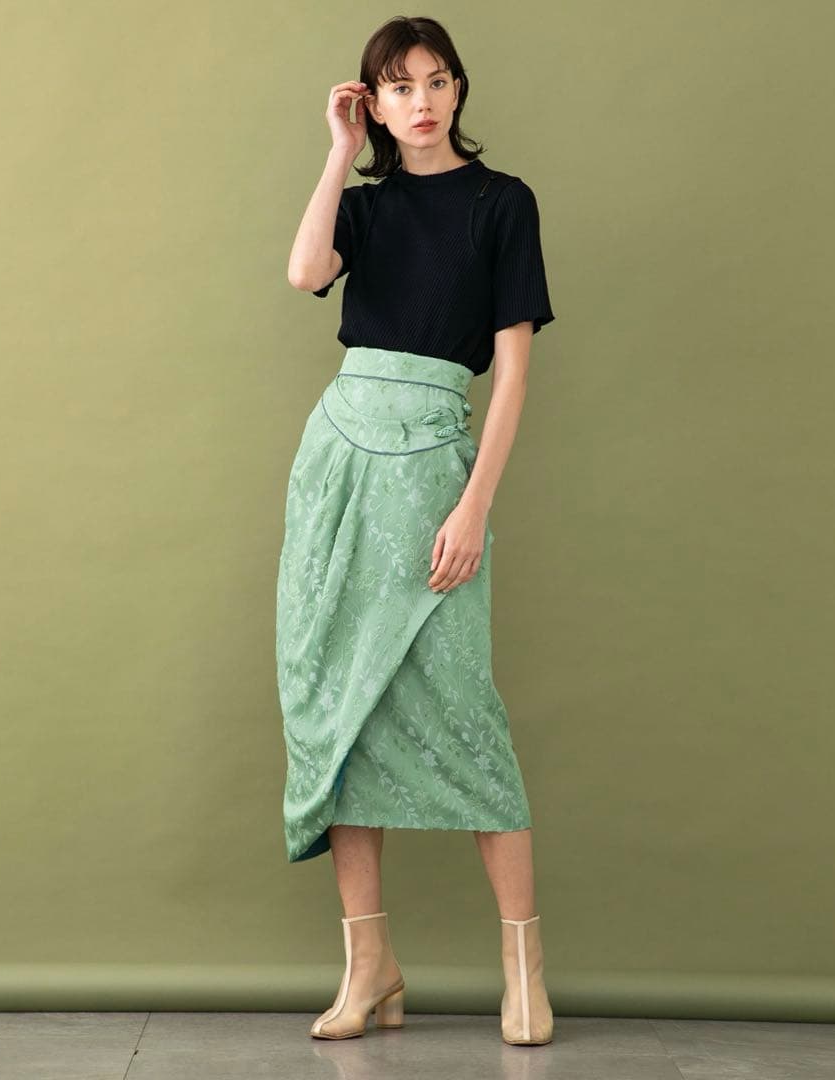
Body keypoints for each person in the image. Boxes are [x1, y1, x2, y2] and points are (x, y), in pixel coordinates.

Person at [278, 15, 555, 1046]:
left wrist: (473, 504)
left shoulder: (502, 203)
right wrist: (338, 153)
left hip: (437, 465)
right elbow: (304, 273)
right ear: (374, 103)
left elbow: (513, 372)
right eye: (398, 87)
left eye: (436, 81)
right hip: (339, 462)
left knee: (464, 710)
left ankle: (523, 971)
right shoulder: (364, 205)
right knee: (338, 703)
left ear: (458, 90)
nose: (422, 101)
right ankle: (370, 968)